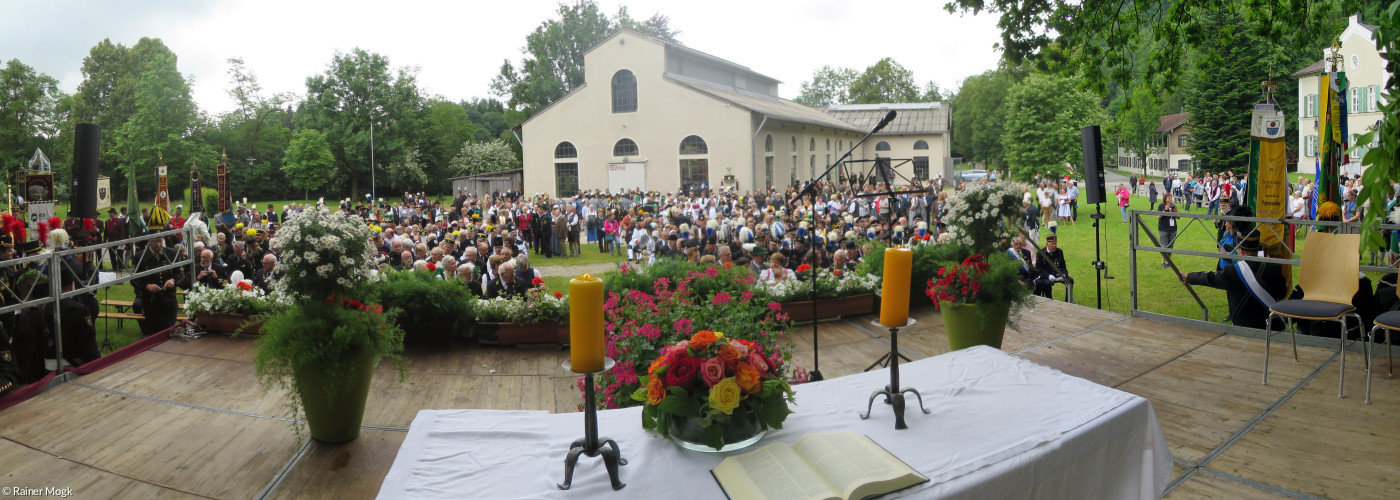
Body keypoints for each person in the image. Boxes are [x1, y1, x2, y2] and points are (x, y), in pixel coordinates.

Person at [1179, 234, 1286, 329]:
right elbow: (1282, 293)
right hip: (1273, 327)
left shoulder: (1233, 271)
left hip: (1245, 327)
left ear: (1241, 251)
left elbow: (1211, 278)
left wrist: (1188, 277)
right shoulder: (1274, 267)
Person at [131, 235, 184, 336]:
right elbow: (134, 279)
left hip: (169, 299)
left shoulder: (171, 253)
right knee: (153, 332)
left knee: (168, 332)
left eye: (160, 241)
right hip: (150, 300)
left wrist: (172, 280)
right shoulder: (141, 256)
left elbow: (180, 273)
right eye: (156, 241)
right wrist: (147, 286)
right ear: (149, 242)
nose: (158, 244)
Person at [1033, 234, 1072, 299]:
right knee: (1047, 284)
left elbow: (1063, 265)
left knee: (1070, 281)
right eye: (1052, 244)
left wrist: (1064, 274)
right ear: (1047, 244)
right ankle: (1050, 299)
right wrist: (1048, 276)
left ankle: (1068, 300)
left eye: (1055, 243)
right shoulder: (1041, 253)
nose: (1054, 246)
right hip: (1046, 276)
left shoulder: (1059, 251)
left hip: (1058, 275)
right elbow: (1039, 268)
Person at [1158, 193, 1179, 269]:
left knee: (1170, 247)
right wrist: (1165, 210)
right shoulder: (1161, 206)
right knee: (1164, 246)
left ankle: (1168, 262)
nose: (1170, 199)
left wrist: (1175, 211)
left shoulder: (1174, 206)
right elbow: (1158, 216)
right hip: (1163, 228)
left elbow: (1178, 217)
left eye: (1171, 197)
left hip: (1172, 229)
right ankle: (1163, 262)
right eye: (1169, 197)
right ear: (1165, 198)